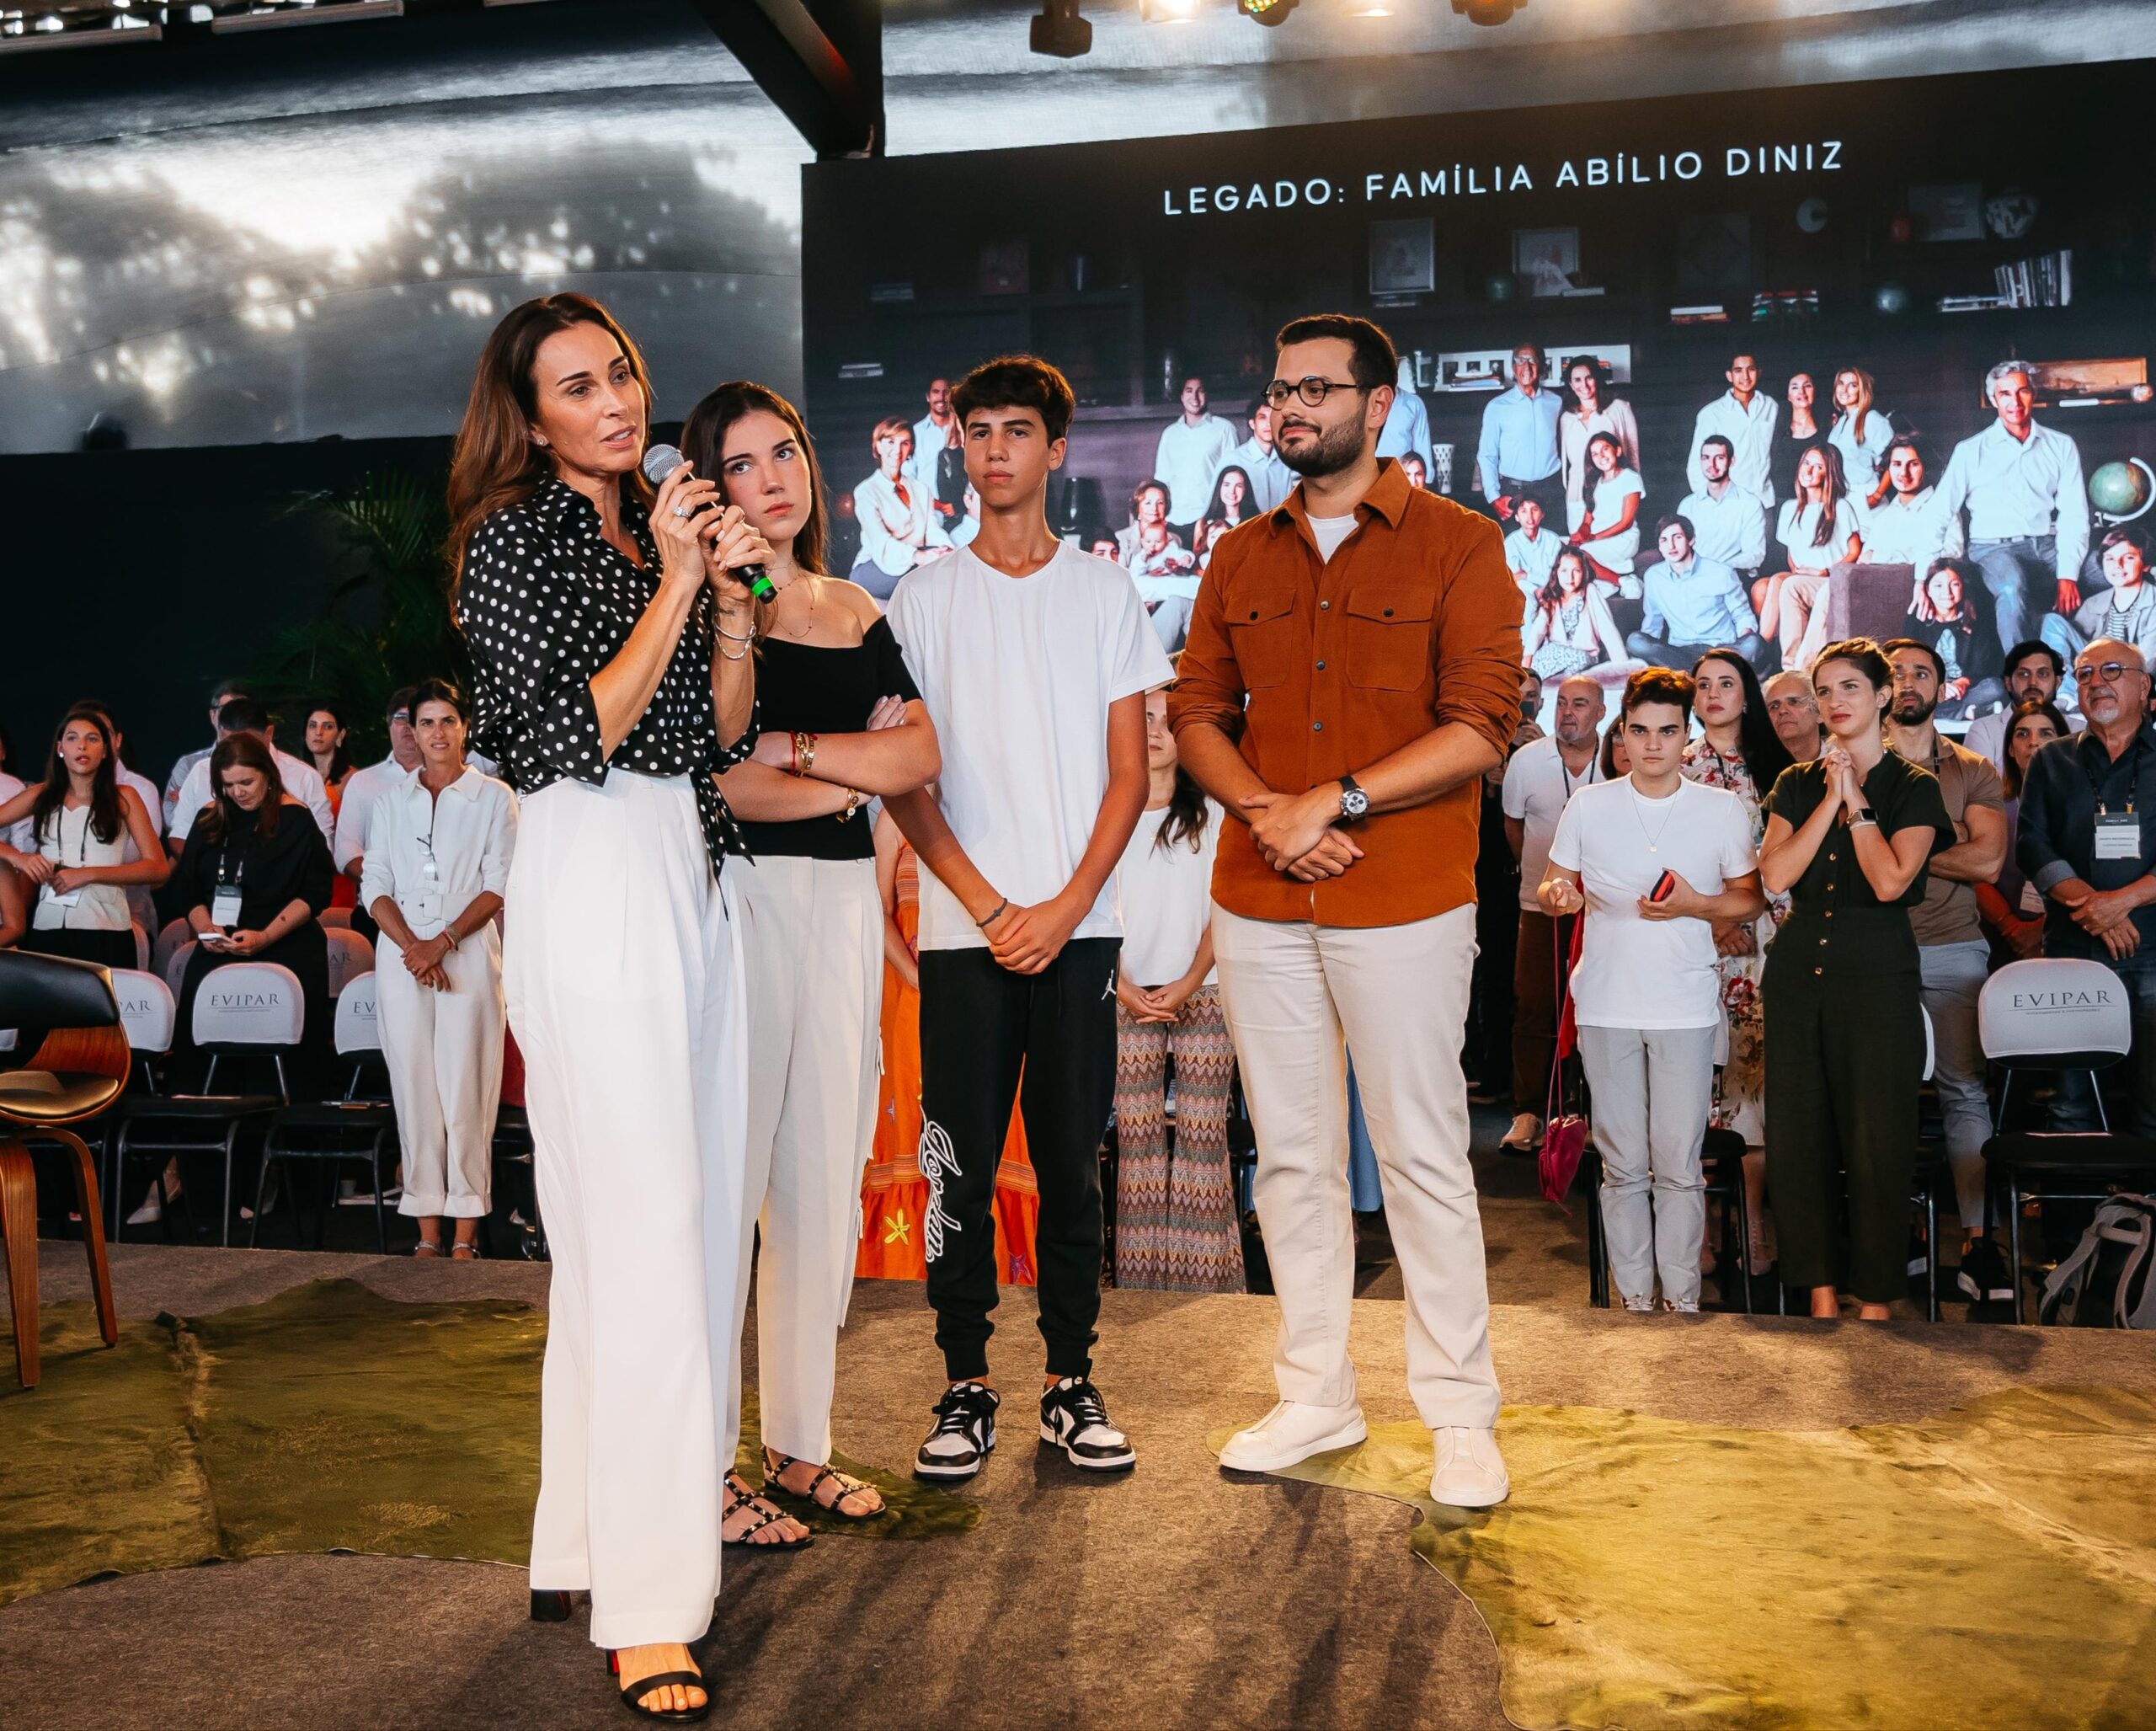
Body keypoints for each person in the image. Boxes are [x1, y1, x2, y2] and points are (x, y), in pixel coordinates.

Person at [451, 292, 770, 1719]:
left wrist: (735, 590)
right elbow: (570, 732)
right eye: (580, 385)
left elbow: (713, 732)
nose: (618, 399)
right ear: (531, 418)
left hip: (686, 865)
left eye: (624, 371)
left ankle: (582, 1538)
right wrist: (673, 581)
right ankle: (648, 1603)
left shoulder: (657, 521)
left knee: (660, 1232)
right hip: (587, 867)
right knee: (643, 1238)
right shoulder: (512, 539)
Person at [1175, 311, 1515, 1508]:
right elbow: (1195, 713)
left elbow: (1482, 722)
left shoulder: (1460, 545)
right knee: (1293, 1161)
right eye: (1279, 390)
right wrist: (1275, 810)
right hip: (1262, 896)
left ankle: (1462, 1415)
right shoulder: (1237, 554)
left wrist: (1335, 800)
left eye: (1316, 389)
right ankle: (1315, 1391)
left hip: (1407, 897)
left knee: (1423, 1154)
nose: (1290, 409)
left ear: (1380, 405)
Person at [883, 353, 1168, 1483]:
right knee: (954, 1164)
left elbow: (1130, 779)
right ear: (959, 446)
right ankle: (965, 1381)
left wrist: (1060, 908)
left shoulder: (1104, 593)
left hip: (1076, 930)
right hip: (966, 930)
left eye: (1018, 430)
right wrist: (995, 903)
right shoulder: (923, 596)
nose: (996, 447)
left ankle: (1069, 1378)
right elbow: (907, 777)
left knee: (1067, 1161)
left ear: (1056, 449)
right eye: (979, 429)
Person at [691, 377, 942, 1531]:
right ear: (710, 485)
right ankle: (703, 1465)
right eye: (742, 463)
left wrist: (800, 760)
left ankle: (797, 1443)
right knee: (727, 1185)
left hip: (845, 905)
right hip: (739, 900)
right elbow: (724, 784)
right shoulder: (704, 611)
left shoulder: (853, 605)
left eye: (783, 451)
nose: (773, 476)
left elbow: (916, 763)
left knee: (817, 1184)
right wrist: (846, 760)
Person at [1542, 669, 1764, 1312]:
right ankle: (1636, 1299)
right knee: (1622, 1164)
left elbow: (1749, 899)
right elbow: (1553, 886)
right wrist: (1560, 895)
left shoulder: (1719, 808)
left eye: (1667, 731)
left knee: (1678, 1163)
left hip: (1685, 1004)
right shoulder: (1590, 804)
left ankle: (1683, 1300)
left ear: (1685, 734)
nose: (1652, 744)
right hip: (1606, 1001)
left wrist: (1698, 903)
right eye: (1639, 730)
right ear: (1624, 733)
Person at [1758, 638, 1954, 1321]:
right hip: (1795, 975)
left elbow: (1892, 879)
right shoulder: (1796, 782)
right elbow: (1776, 875)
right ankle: (1817, 1295)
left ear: (1881, 696)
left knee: (1878, 1142)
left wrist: (1859, 802)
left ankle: (1876, 1298)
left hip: (1878, 978)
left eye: (1849, 688)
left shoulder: (1916, 786)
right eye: (1825, 691)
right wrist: (1830, 795)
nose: (1835, 702)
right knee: (1796, 1137)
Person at [359, 678, 517, 1262]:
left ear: (464, 726)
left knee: (466, 1087)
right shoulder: (389, 801)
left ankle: (466, 1232)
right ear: (410, 730)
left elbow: (499, 883)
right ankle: (426, 1228)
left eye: (447, 720)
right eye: (425, 722)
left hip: (468, 956)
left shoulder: (494, 796)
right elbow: (373, 884)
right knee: (415, 1088)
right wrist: (413, 948)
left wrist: (444, 941)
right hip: (403, 960)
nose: (437, 733)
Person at [1879, 637, 2011, 1302]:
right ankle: (1895, 1234)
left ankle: (1977, 1242)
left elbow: (1988, 864)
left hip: (1955, 946)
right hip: (1873, 950)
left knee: (1964, 1091)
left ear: (1941, 685)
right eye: (1896, 672)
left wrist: (1897, 850)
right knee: (1883, 1096)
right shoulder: (1849, 764)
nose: (1907, 682)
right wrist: (1945, 839)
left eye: (1920, 673)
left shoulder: (1973, 767)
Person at [1112, 682, 1241, 1292]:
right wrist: (1121, 982)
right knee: (1136, 1147)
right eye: (1145, 719)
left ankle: (1206, 1286)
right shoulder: (1105, 811)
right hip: (1127, 994)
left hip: (1206, 991)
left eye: (1167, 720)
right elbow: (1090, 908)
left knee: (1202, 1142)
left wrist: (1191, 980)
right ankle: (1138, 1287)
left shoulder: (1212, 813)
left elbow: (1226, 908)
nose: (1156, 730)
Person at [1680, 650, 1793, 1281]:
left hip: (1765, 943)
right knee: (1695, 1088)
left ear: (1747, 695)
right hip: (1695, 943)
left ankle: (1752, 1223)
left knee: (1752, 1089)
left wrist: (1744, 918)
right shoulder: (1681, 765)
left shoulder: (1777, 768)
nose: (1716, 693)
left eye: (1728, 683)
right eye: (1704, 685)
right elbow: (1661, 859)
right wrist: (1713, 918)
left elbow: (1784, 862)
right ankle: (1696, 1230)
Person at [2017, 639, 2156, 1138]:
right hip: (2074, 949)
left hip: (2153, 949)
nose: (2096, 681)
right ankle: (2075, 1215)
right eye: (2084, 673)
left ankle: (2142, 1212)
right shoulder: (2052, 760)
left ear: (2144, 686)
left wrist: (2121, 903)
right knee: (2072, 1102)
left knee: (2153, 1105)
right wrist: (2092, 908)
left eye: (2112, 670)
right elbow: (2032, 845)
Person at [169, 733, 337, 1106]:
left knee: (287, 1048)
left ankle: (286, 1137)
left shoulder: (296, 819)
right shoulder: (209, 819)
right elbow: (188, 891)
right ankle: (194, 1132)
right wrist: (206, 929)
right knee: (196, 1023)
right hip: (219, 941)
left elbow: (316, 893)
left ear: (268, 775)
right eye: (228, 785)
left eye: (246, 782)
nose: (238, 793)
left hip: (284, 939)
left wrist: (264, 937)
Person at [1500, 675, 1605, 1152]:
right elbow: (1515, 829)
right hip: (1539, 905)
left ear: (1600, 712)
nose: (1567, 712)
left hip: (1607, 912)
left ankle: (1592, 1116)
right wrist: (1540, 878)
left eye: (1579, 704)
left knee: (1597, 1010)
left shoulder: (1621, 759)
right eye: (1561, 703)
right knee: (1535, 1005)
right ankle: (1528, 1113)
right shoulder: (1526, 761)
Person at [1936, 360, 2090, 658]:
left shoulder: (2060, 445)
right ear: (1994, 400)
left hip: (2045, 545)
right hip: (1992, 549)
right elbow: (1939, 512)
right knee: (2010, 587)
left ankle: (2106, 664)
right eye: (2005, 394)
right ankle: (2023, 678)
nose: (2015, 402)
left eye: (2022, 392)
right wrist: (1923, 576)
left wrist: (2068, 575)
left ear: (2033, 395)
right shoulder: (1970, 450)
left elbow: (2074, 514)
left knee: (2112, 570)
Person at [0, 703, 168, 970]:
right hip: (48, 925)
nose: (82, 746)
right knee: (51, 1010)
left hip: (107, 926)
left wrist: (87, 873)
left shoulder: (124, 797)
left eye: (92, 739)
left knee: (105, 1010)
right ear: (60, 749)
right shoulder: (41, 795)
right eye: (72, 738)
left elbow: (158, 868)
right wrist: (19, 858)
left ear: (105, 751)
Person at [168, 697, 334, 856]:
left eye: (247, 782)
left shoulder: (305, 777)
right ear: (221, 734)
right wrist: (208, 873)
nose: (239, 751)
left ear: (269, 733)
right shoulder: (201, 771)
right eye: (229, 785)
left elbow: (321, 847)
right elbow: (180, 836)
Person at [1975, 699, 2068, 968]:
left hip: (2066, 934)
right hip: (2001, 936)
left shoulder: (2082, 805)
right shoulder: (1991, 805)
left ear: (2064, 745)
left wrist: (2039, 929)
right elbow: (1976, 876)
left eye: (2046, 733)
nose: (2033, 742)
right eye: (2022, 733)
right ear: (2011, 750)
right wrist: (2012, 927)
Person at [1759, 444, 1859, 675]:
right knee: (1778, 581)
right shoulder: (1789, 508)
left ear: (1829, 473)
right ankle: (1772, 658)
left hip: (1830, 579)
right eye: (1807, 463)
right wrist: (1799, 571)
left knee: (1790, 585)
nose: (1809, 470)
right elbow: (1792, 554)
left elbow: (1854, 552)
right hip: (1803, 578)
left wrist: (1826, 571)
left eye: (1818, 466)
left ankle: (1800, 669)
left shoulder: (1840, 507)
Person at [1627, 514, 1768, 672]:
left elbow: (1742, 615)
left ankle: (1694, 674)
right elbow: (1653, 621)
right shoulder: (1653, 576)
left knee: (1754, 643)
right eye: (1664, 540)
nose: (1671, 546)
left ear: (1691, 540)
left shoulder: (1721, 572)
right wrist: (1650, 650)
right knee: (1635, 641)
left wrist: (1746, 636)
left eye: (1677, 537)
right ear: (1659, 546)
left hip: (1720, 650)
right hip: (1680, 651)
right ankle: (1702, 673)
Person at [334, 687, 423, 912]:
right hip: (376, 909)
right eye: (401, 718)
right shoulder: (363, 781)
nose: (408, 727)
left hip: (437, 910)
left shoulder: (446, 782)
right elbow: (346, 849)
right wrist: (383, 885)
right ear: (388, 723)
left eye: (416, 719)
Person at [852, 415, 953, 599]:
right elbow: (880, 541)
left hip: (917, 563)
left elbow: (932, 531)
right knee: (929, 578)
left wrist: (946, 550)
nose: (897, 450)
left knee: (947, 571)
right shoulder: (866, 491)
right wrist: (918, 557)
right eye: (890, 442)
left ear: (911, 448)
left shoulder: (921, 489)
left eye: (905, 443)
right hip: (875, 566)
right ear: (878, 446)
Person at [1899, 558, 2005, 719]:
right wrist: (1937, 686)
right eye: (1938, 586)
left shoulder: (1976, 620)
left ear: (1963, 587)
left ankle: (1949, 712)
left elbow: (1984, 665)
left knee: (1995, 688)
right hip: (1930, 688)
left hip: (1965, 690)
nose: (1947, 592)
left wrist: (1964, 682)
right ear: (1927, 589)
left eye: (1954, 584)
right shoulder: (1917, 620)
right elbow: (1908, 661)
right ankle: (1965, 712)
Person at [2043, 526, 2156, 673]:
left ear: (2145, 565)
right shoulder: (2094, 604)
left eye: (2129, 558)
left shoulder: (2153, 601)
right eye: (2110, 558)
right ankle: (2067, 693)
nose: (2118, 565)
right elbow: (2071, 646)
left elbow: (2147, 662)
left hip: (2132, 676)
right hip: (2095, 669)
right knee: (2051, 621)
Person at [1476, 342, 1563, 526]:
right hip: (1513, 492)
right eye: (1520, 360)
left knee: (1554, 552)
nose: (1526, 366)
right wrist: (1494, 497)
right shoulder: (1496, 407)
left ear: (1541, 366)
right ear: (1513, 367)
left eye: (1532, 360)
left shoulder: (1556, 402)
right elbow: (1487, 455)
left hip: (1551, 491)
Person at [1524, 546, 1638, 687]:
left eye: (1576, 571)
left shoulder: (1590, 591)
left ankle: (1564, 683)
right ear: (1556, 573)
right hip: (1554, 650)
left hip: (1584, 654)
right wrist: (1527, 659)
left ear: (1583, 572)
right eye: (1564, 571)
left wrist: (1622, 666)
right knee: (1533, 670)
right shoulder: (1553, 597)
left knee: (1579, 660)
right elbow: (1537, 631)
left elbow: (1607, 629)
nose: (1570, 577)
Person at [1962, 640, 2086, 768]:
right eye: (2024, 674)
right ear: (2008, 683)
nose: (2033, 682)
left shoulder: (2080, 732)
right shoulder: (1983, 731)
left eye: (2042, 674)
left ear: (2058, 682)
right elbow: (1980, 787)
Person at [1863, 439, 1964, 587]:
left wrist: (1884, 557)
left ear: (1926, 467)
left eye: (1913, 464)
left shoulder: (1943, 507)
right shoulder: (1885, 517)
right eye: (1897, 464)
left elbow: (1951, 555)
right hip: (1884, 593)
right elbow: (1865, 559)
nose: (1904, 473)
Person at [1557, 355, 1641, 533]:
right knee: (1580, 550)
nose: (1584, 385)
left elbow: (1633, 454)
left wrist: (1633, 494)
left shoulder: (1619, 408)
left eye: (1589, 378)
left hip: (1613, 491)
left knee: (1611, 543)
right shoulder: (1567, 418)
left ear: (1597, 379)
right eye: (1577, 380)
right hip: (1577, 494)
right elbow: (1568, 463)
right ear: (1571, 385)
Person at [1678, 434, 1769, 590]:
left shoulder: (1749, 503)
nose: (1711, 464)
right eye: (1706, 458)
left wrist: (1717, 569)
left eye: (1719, 458)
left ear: (1731, 461)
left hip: (1733, 577)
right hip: (1694, 578)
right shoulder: (1688, 505)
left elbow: (1755, 554)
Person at [1687, 353, 1777, 510]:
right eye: (1738, 370)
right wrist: (1710, 503)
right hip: (1729, 503)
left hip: (1764, 501)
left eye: (1751, 369)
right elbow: (1696, 464)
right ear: (1729, 375)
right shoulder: (1711, 414)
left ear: (1759, 372)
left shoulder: (1771, 406)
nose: (1746, 376)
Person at [1155, 375, 1238, 542]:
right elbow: (1162, 479)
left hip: (1208, 519)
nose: (1194, 397)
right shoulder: (1170, 433)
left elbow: (1232, 475)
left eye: (1200, 391)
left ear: (1207, 395)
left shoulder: (1224, 428)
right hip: (1173, 519)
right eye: (1189, 391)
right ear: (1181, 396)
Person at [163, 676, 250, 828]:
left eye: (240, 711)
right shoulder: (189, 765)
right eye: (227, 710)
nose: (233, 718)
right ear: (212, 715)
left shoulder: (263, 763)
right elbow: (172, 819)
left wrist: (196, 805)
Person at [1572, 431, 1644, 598]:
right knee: (1558, 547)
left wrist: (1594, 538)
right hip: (1596, 538)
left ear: (1617, 451)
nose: (1601, 456)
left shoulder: (1630, 478)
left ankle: (1622, 581)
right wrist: (1580, 534)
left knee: (1578, 556)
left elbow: (1626, 522)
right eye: (1595, 453)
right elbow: (1587, 520)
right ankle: (1605, 583)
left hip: (1622, 538)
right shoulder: (1594, 482)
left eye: (1605, 449)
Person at [1216, 393, 1294, 516]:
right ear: (1252, 423)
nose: (1269, 424)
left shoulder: (1288, 460)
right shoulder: (1233, 460)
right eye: (1262, 417)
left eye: (1273, 417)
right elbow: (1214, 506)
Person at [1828, 367, 1893, 505]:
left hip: (1866, 493)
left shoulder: (1871, 419)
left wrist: (1876, 496)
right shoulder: (1840, 421)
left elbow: (1895, 459)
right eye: (1841, 383)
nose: (1845, 389)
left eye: (1853, 385)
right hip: (1841, 496)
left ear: (1862, 390)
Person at [1503, 494, 1562, 612]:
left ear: (1542, 514)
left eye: (1534, 510)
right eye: (1523, 511)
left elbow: (1555, 576)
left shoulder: (1553, 540)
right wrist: (1535, 590)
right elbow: (1515, 578)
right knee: (1526, 603)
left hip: (1552, 589)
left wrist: (1527, 575)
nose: (1529, 516)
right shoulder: (1510, 543)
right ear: (1516, 517)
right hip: (1526, 591)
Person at [1196, 464, 1258, 569]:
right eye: (1226, 485)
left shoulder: (1255, 523)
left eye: (1239, 486)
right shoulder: (1204, 523)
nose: (1232, 491)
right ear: (1219, 487)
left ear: (1246, 490)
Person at [1763, 668, 1826, 761]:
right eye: (1774, 706)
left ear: (1819, 713)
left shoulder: (1844, 758)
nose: (1782, 710)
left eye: (1794, 702)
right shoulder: (1754, 766)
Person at [909, 376, 956, 499]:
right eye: (936, 392)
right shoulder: (916, 432)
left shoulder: (963, 430)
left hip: (961, 509)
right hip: (928, 509)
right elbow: (908, 475)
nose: (941, 397)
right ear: (928, 397)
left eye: (946, 392)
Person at [303, 700, 355, 811]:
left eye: (327, 727)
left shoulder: (352, 779)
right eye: (312, 726)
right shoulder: (297, 775)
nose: (318, 732)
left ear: (341, 735)